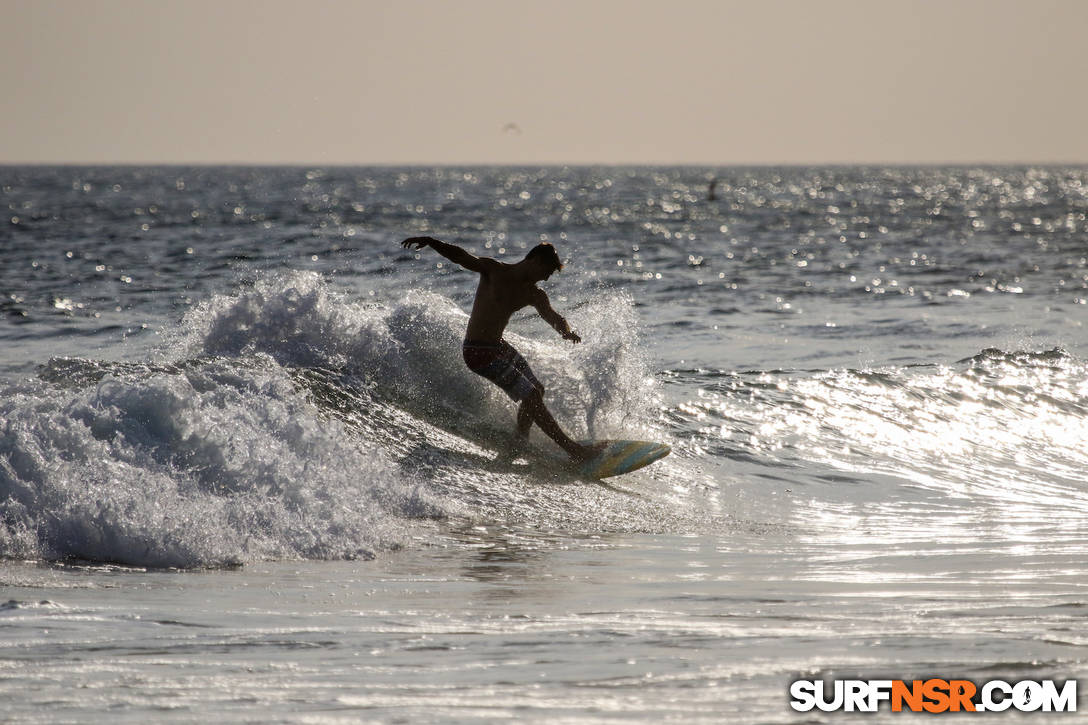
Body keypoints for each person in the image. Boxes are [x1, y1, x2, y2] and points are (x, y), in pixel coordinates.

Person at [400, 236, 599, 462]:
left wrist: (566, 331)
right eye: (547, 271)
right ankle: (573, 450)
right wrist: (431, 241)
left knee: (537, 390)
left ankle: (519, 441)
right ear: (534, 261)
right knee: (532, 395)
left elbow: (553, 316)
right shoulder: (494, 270)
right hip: (478, 352)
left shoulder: (534, 294)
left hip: (497, 346)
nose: (545, 278)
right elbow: (461, 257)